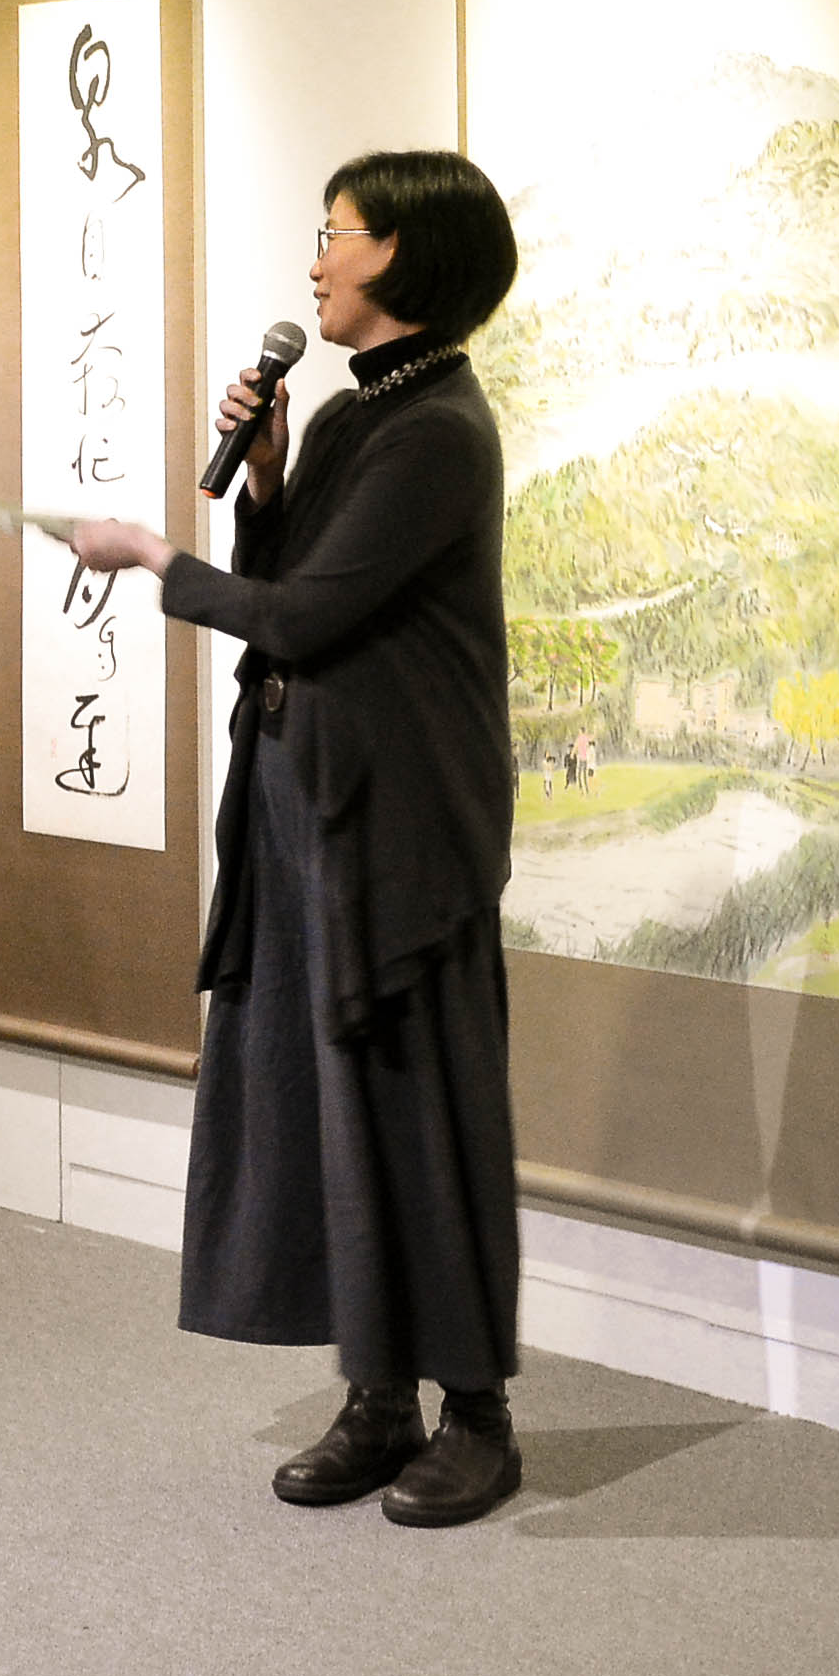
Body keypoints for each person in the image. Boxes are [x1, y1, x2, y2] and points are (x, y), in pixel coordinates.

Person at [71, 149, 526, 1527]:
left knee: (421, 1111)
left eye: (335, 232)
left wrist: (159, 559)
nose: (314, 258)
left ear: (401, 256)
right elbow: (290, 584)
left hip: (400, 828)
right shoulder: (344, 412)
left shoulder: (438, 429)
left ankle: (477, 1414)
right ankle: (376, 1396)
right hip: (302, 802)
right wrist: (263, 482)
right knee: (327, 1106)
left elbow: (308, 621)